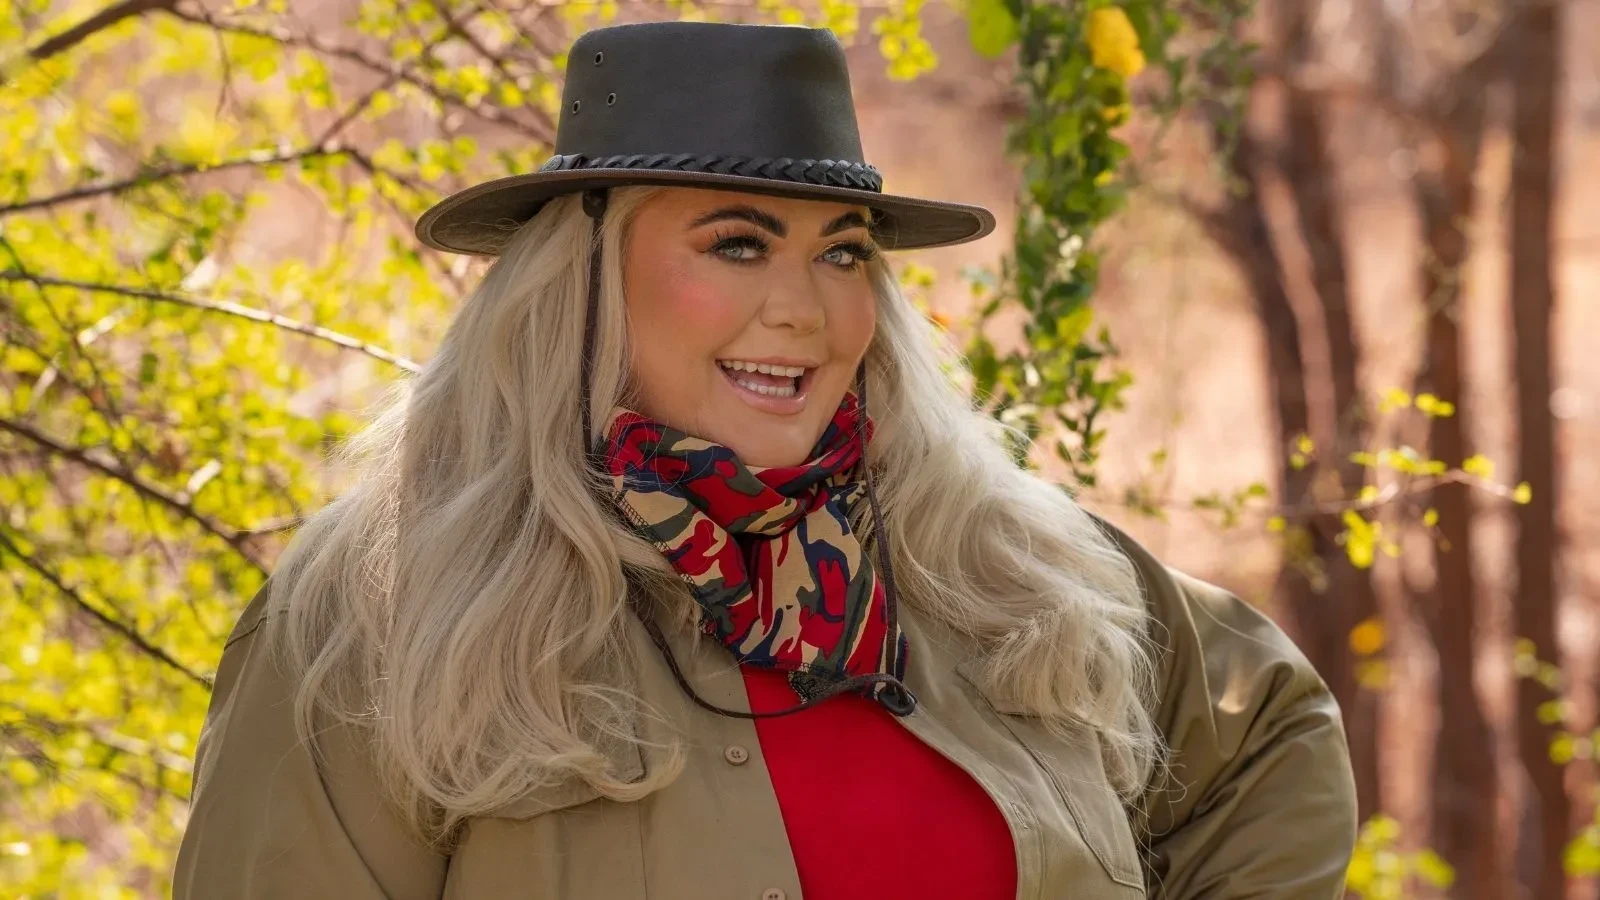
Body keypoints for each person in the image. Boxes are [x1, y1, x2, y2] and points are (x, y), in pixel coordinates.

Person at [174, 20, 1357, 900]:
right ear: (584, 284)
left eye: (842, 255)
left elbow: (1268, 731)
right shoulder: (379, 616)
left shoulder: (1003, 563)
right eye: (736, 245)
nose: (805, 310)